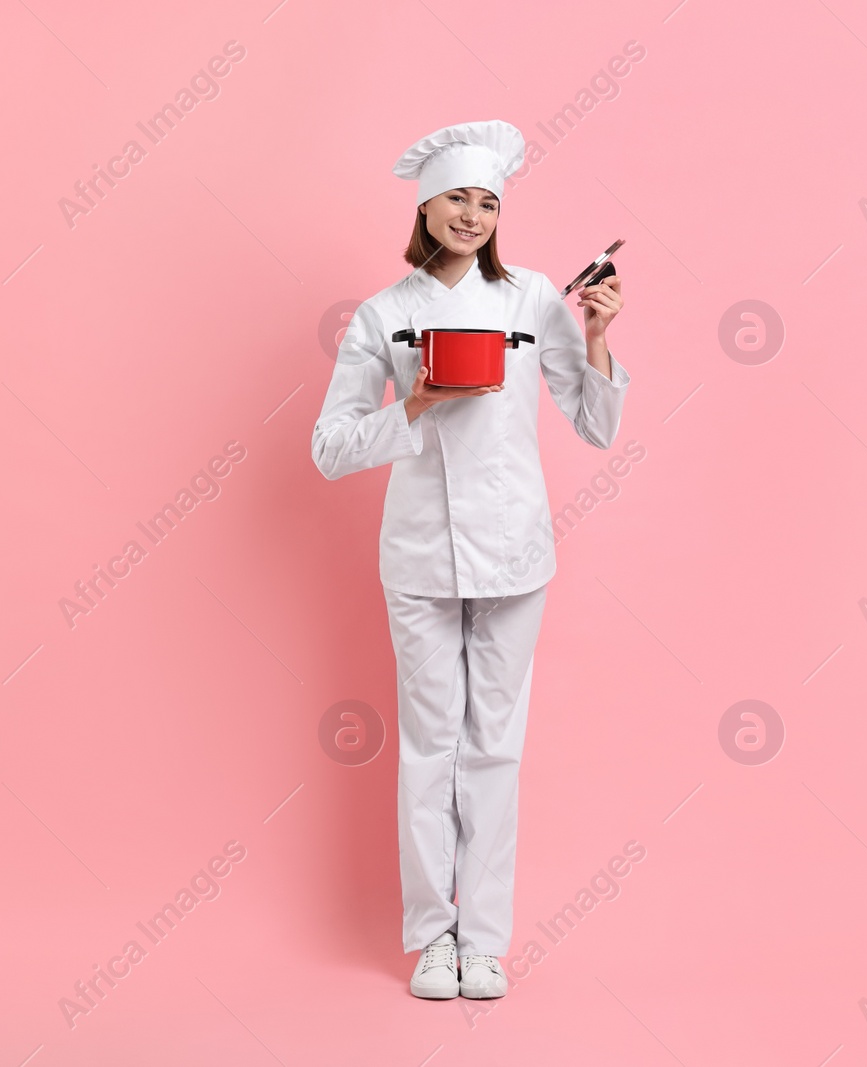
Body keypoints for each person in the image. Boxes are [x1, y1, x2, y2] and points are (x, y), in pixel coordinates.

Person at [310, 120, 631, 1000]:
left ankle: (483, 937)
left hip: (516, 552)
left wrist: (596, 334)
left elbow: (597, 425)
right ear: (425, 205)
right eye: (459, 197)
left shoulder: (532, 299)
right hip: (417, 556)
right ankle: (431, 939)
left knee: (495, 747)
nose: (475, 214)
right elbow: (330, 447)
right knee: (428, 748)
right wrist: (411, 406)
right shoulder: (385, 314)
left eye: (490, 201)